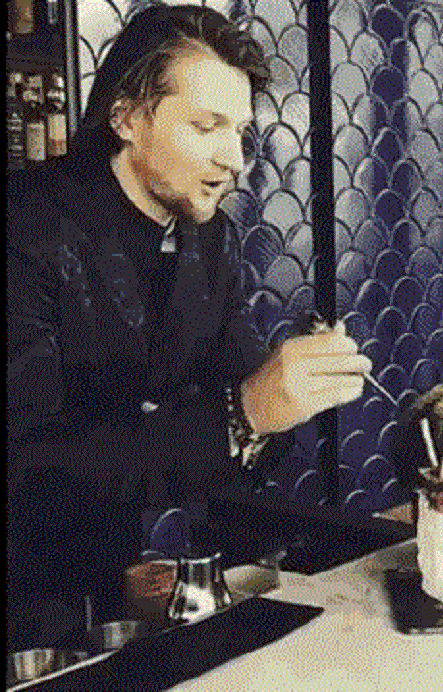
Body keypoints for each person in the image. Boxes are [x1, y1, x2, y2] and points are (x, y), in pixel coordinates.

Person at [6, 4, 371, 647]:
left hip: (122, 582)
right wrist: (244, 412)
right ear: (126, 117)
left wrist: (282, 399)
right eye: (207, 127)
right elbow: (31, 466)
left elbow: (246, 415)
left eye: (240, 131)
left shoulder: (212, 238)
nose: (234, 158)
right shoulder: (25, 225)